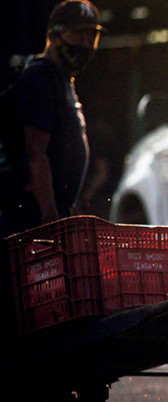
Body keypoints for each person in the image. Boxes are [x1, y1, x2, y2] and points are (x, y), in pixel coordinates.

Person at [0, 0, 102, 237]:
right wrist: (50, 220)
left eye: (91, 36)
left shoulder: (61, 80)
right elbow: (35, 151)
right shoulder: (40, 79)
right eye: (78, 34)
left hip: (50, 212)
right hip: (31, 216)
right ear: (54, 36)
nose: (86, 43)